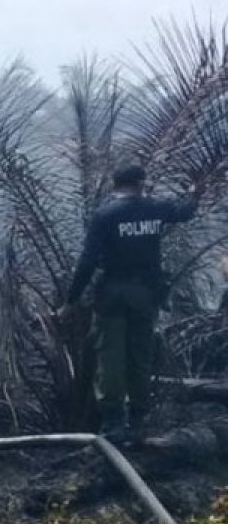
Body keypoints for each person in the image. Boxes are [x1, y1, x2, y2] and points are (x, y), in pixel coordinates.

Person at [61, 165, 201, 445]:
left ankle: (113, 423)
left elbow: (87, 262)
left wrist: (71, 300)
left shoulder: (105, 215)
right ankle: (138, 419)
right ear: (140, 183)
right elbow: (185, 212)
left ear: (116, 185)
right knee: (140, 354)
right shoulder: (157, 208)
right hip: (145, 294)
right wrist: (195, 194)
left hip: (112, 293)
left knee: (110, 355)